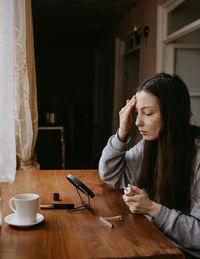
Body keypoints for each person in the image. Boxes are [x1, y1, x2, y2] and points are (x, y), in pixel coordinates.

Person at [99, 73, 200, 259]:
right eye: (137, 113)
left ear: (172, 114)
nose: (138, 122)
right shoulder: (151, 144)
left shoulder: (196, 155)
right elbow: (111, 174)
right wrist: (122, 132)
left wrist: (152, 209)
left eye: (148, 113)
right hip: (157, 240)